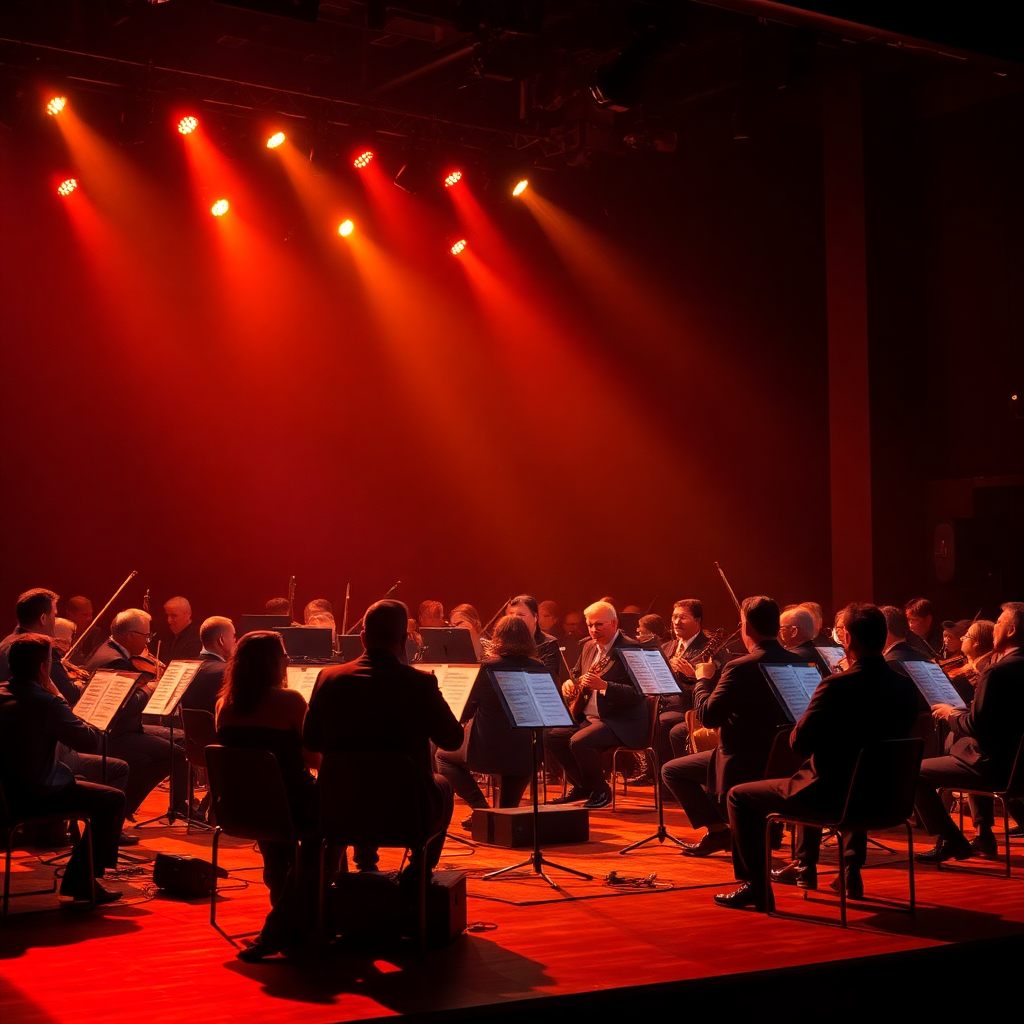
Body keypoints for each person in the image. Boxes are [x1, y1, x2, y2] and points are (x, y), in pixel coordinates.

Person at [717, 603, 920, 910]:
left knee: (739, 796)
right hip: (887, 798)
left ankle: (756, 886)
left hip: (831, 799)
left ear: (847, 639)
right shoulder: (905, 686)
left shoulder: (836, 685)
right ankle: (847, 871)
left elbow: (800, 744)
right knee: (846, 772)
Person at [305, 600, 462, 886]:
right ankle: (418, 871)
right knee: (442, 785)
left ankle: (358, 867)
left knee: (360, 778)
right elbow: (453, 740)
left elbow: (311, 740)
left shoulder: (328, 678)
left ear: (363, 638)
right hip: (406, 813)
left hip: (340, 808)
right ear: (404, 640)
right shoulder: (420, 684)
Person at [661, 596, 803, 857]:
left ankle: (719, 831)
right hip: (788, 758)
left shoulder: (740, 667)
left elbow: (708, 716)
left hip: (742, 761)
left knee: (672, 771)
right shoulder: (801, 664)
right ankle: (765, 827)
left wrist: (702, 680)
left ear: (746, 627)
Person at [0, 634, 126, 904]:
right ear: (43, 667)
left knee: (77, 778)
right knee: (113, 799)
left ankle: (81, 873)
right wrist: (58, 696)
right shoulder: (46, 702)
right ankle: (81, 881)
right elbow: (91, 741)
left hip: (5, 796)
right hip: (32, 797)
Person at [914, 602, 1024, 863]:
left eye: (999, 623)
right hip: (1018, 766)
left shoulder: (996, 671)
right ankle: (984, 835)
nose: (994, 628)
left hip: (996, 767)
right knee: (965, 748)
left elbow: (976, 726)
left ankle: (952, 840)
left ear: (1010, 631)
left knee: (914, 772)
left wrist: (951, 714)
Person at [216, 632, 318, 909]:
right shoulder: (291, 701)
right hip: (292, 807)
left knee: (267, 797)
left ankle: (279, 875)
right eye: (283, 654)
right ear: (272, 662)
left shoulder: (223, 705)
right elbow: (314, 760)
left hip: (243, 808)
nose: (287, 659)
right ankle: (308, 889)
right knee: (335, 813)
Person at [436, 615, 539, 827]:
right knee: (505, 817)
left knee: (442, 756)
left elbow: (464, 712)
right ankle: (499, 815)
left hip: (488, 751)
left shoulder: (486, 668)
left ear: (497, 638)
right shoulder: (539, 667)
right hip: (527, 753)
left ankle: (480, 807)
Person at [85, 609, 188, 819]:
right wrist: (150, 689)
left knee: (181, 739)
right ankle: (123, 808)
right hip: (115, 734)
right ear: (130, 636)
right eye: (146, 636)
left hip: (124, 727)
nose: (148, 642)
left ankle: (178, 806)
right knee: (176, 754)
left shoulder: (106, 650)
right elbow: (126, 707)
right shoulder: (114, 661)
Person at [547, 601, 645, 809]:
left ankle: (601, 790)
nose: (593, 630)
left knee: (580, 742)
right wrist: (570, 683)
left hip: (620, 721)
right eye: (590, 625)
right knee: (552, 737)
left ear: (614, 623)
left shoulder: (631, 649)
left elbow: (638, 694)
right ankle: (583, 785)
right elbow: (577, 673)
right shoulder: (588, 645)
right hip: (589, 718)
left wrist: (605, 686)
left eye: (599, 624)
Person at [181, 616, 236, 715]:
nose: (235, 641)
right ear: (221, 640)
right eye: (233, 636)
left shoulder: (180, 668)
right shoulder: (229, 672)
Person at [504, 595, 561, 679]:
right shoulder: (504, 641)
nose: (515, 619)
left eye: (521, 615)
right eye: (511, 614)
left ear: (535, 617)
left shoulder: (549, 643)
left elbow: (547, 678)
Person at [779, 606, 831, 676]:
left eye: (782, 628)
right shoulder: (823, 654)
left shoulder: (792, 657)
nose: (779, 631)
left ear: (794, 631)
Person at [64, 595, 101, 663]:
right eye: (85, 614)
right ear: (70, 614)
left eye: (91, 614)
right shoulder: (60, 631)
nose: (89, 618)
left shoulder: (96, 635)